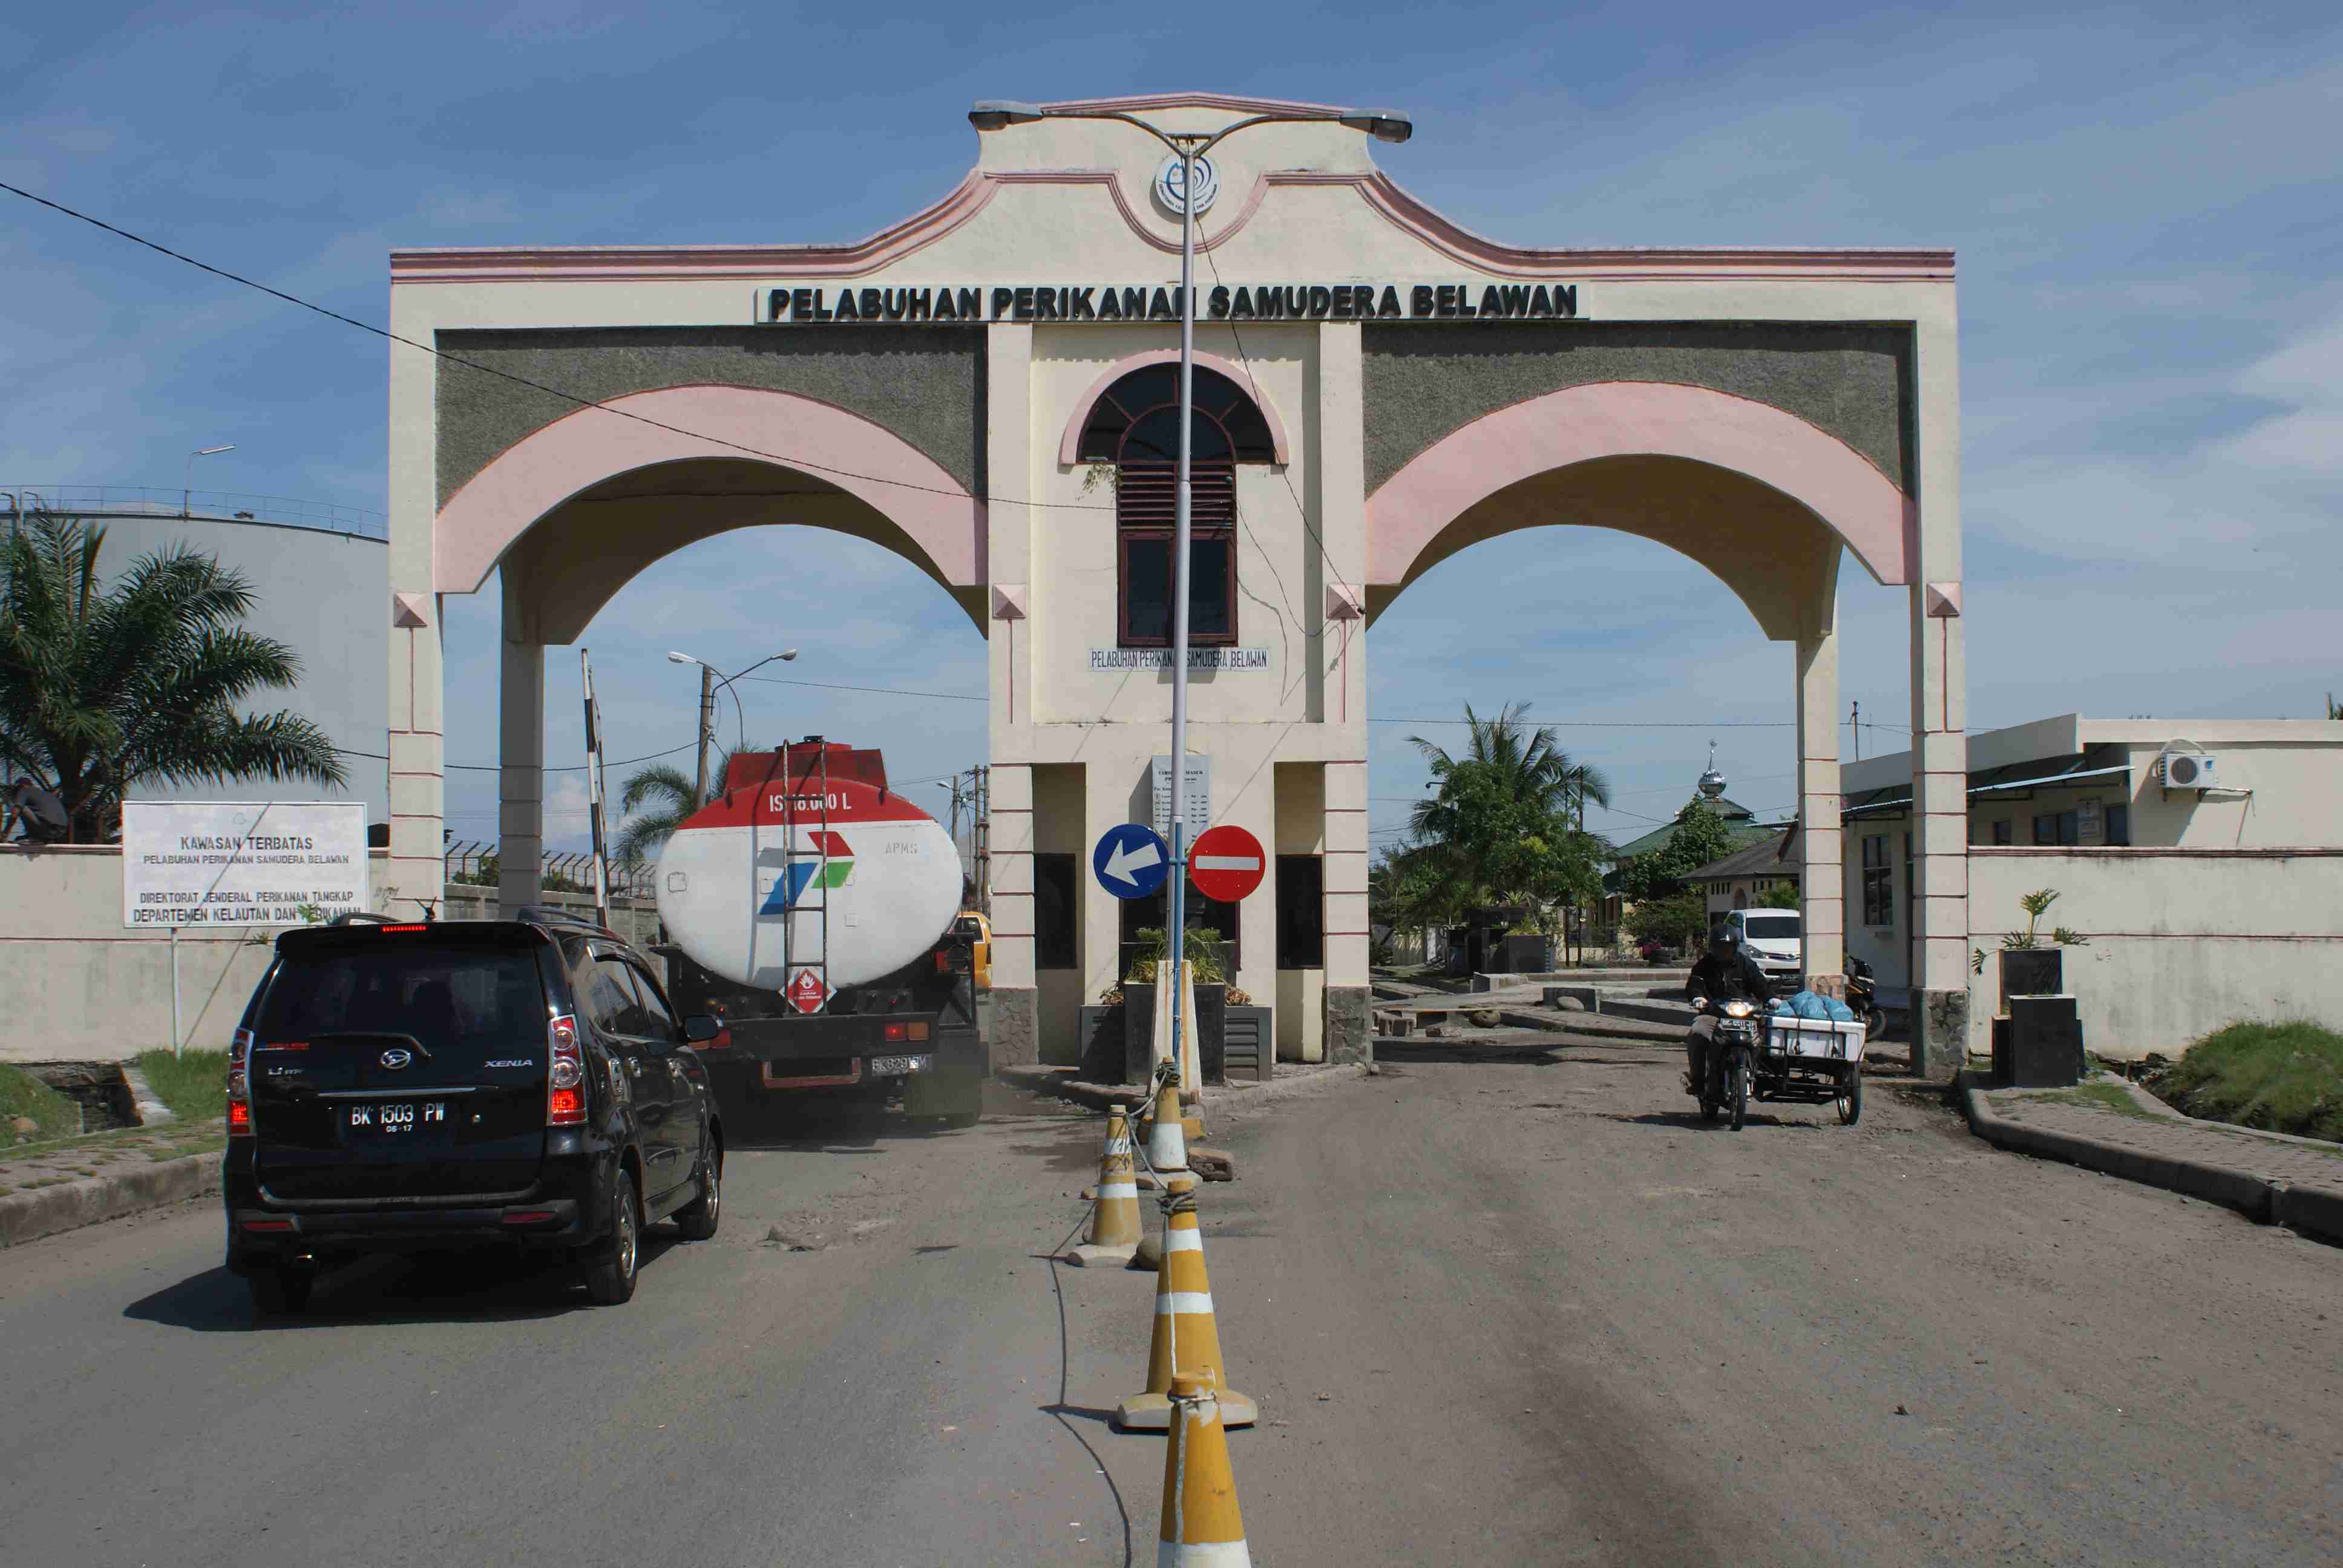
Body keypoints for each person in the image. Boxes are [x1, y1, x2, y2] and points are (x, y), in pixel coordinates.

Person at [1684, 924, 1773, 1099]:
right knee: (1697, 1032)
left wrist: (1771, 998)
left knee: (1768, 1034)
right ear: (1713, 948)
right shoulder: (1704, 965)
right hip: (1714, 1015)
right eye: (1720, 948)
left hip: (1745, 1015)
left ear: (1735, 947)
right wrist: (1698, 997)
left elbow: (1760, 984)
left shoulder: (1745, 964)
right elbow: (1694, 984)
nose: (1725, 952)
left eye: (1728, 948)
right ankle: (1698, 1080)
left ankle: (1757, 1073)